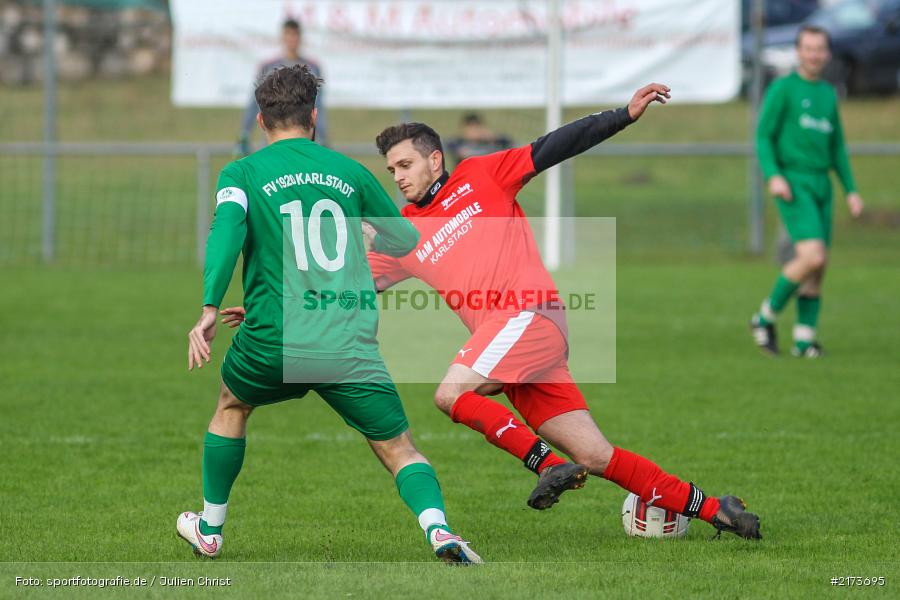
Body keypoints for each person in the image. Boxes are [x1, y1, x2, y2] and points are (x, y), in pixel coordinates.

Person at [223, 83, 762, 538]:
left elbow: (556, 146)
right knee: (596, 455)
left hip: (530, 316)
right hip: (511, 344)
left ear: (436, 158)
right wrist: (271, 306)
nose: (399, 176)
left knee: (450, 393)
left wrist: (623, 115)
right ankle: (718, 509)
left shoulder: (484, 175)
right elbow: (344, 282)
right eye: (391, 170)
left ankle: (547, 466)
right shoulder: (402, 233)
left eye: (406, 164)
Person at [180, 65, 481, 564]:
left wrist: (210, 306)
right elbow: (405, 240)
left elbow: (227, 233)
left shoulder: (242, 173)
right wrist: (364, 237)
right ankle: (441, 533)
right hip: (346, 340)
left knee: (232, 406)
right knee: (397, 447)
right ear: (313, 117)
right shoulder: (350, 173)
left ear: (261, 121)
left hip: (274, 338)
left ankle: (210, 530)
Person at [751, 25, 863, 357]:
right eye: (808, 48)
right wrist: (774, 175)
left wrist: (851, 190)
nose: (814, 54)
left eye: (820, 49)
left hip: (821, 184)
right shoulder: (783, 89)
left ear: (827, 54)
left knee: (818, 264)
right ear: (798, 51)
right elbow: (763, 136)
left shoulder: (828, 94)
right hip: (794, 181)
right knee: (812, 255)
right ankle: (763, 317)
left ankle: (804, 340)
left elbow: (837, 147)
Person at [236, 18, 328, 156]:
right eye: (288, 35)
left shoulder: (313, 68)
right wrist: (245, 133)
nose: (292, 40)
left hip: (302, 139)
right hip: (273, 139)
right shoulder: (268, 67)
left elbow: (318, 105)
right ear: (283, 37)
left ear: (300, 37)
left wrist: (322, 137)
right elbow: (254, 103)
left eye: (295, 35)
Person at [445, 112, 513, 164]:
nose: (474, 131)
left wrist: (493, 137)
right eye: (470, 127)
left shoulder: (489, 142)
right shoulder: (458, 142)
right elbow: (444, 146)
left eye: (476, 127)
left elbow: (511, 143)